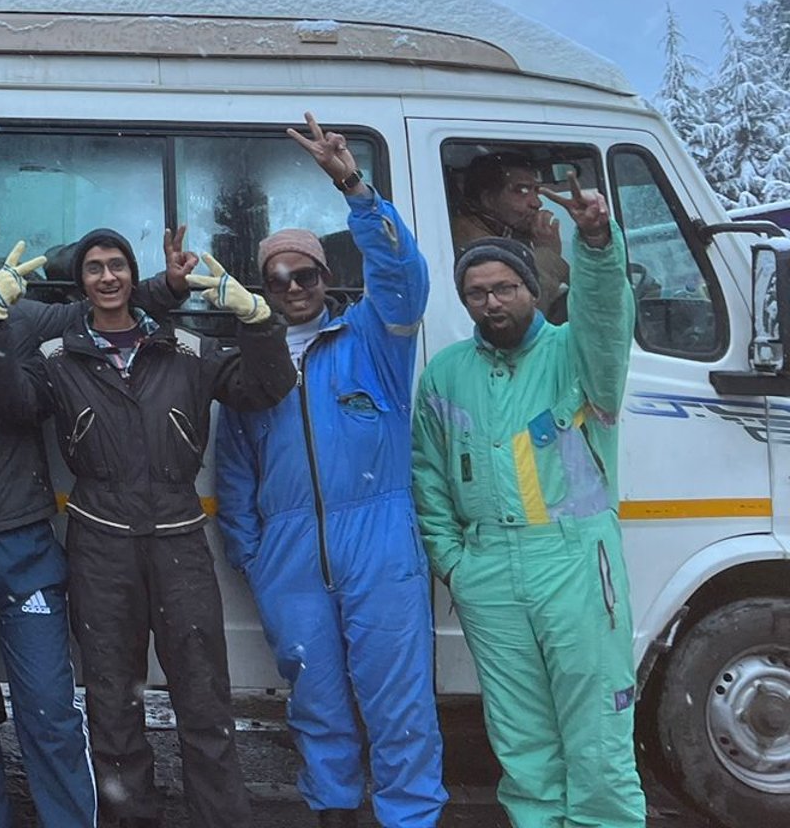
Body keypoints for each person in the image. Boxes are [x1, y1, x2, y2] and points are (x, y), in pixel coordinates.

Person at [0, 231, 296, 828]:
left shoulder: (186, 349)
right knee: (113, 704)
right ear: (82, 285)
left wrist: (257, 318)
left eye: (117, 265)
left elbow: (264, 388)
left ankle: (221, 819)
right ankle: (130, 817)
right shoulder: (59, 359)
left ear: (131, 273)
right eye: (94, 268)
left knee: (203, 699)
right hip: (100, 544)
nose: (107, 277)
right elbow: (13, 405)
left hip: (178, 537)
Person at [0, 221, 198, 828]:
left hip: (22, 542)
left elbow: (102, 308)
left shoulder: (22, 317)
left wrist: (167, 285)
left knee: (51, 711)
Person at [213, 116, 446, 828]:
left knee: (398, 701)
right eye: (278, 277)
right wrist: (256, 557)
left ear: (326, 277)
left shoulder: (373, 341)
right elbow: (233, 478)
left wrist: (352, 185)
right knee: (316, 701)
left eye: (305, 273)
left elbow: (405, 276)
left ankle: (409, 818)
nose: (292, 287)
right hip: (289, 559)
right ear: (265, 286)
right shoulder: (252, 367)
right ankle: (335, 813)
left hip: (378, 544)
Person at [413, 181, 645, 828]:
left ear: (531, 289)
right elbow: (427, 475)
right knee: (522, 742)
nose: (492, 301)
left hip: (573, 563)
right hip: (487, 571)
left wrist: (595, 243)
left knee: (597, 724)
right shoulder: (447, 373)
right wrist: (454, 562)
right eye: (477, 292)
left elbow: (605, 315)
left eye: (504, 287)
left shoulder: (578, 355)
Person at [449, 150, 571, 324]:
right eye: (521, 190)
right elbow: (522, 316)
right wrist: (548, 255)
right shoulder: (471, 242)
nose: (536, 203)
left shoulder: (506, 233)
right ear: (489, 199)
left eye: (536, 191)